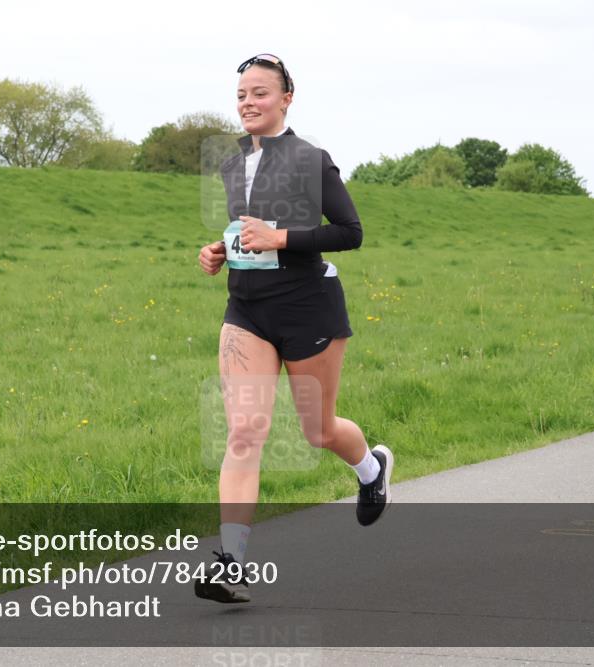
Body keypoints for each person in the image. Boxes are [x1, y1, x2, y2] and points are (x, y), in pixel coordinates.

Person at [194, 54, 394, 604]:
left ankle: (371, 468)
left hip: (308, 309)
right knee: (244, 432)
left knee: (318, 431)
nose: (248, 103)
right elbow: (246, 233)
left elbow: (349, 232)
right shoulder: (232, 164)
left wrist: (280, 238)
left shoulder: (311, 159)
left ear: (286, 98)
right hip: (247, 311)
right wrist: (219, 251)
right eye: (241, 95)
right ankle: (231, 562)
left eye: (260, 93)